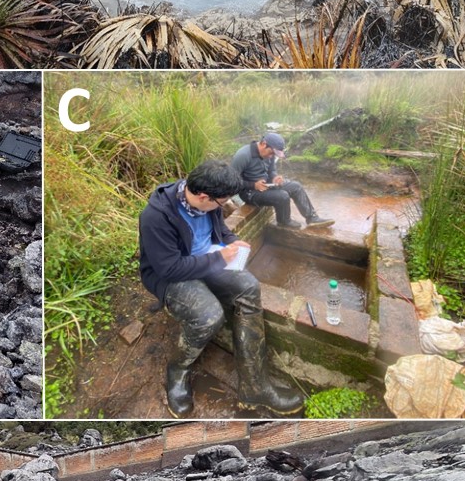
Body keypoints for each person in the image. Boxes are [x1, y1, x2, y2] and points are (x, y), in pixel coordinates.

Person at [138, 160, 303, 418]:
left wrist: (232, 241)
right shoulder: (156, 217)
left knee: (248, 286)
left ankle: (255, 387)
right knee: (209, 315)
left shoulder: (207, 200)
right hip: (173, 275)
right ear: (204, 196)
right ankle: (178, 369)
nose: (223, 206)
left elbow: (220, 230)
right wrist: (219, 259)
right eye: (221, 202)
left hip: (207, 260)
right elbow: (168, 269)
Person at [231, 133, 334, 229]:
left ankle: (312, 218)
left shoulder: (269, 155)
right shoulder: (243, 156)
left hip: (267, 185)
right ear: (263, 144)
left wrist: (275, 177)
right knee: (282, 196)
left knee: (296, 186)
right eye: (271, 153)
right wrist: (253, 185)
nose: (271, 157)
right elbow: (231, 182)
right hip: (250, 193)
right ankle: (284, 221)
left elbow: (271, 170)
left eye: (273, 155)